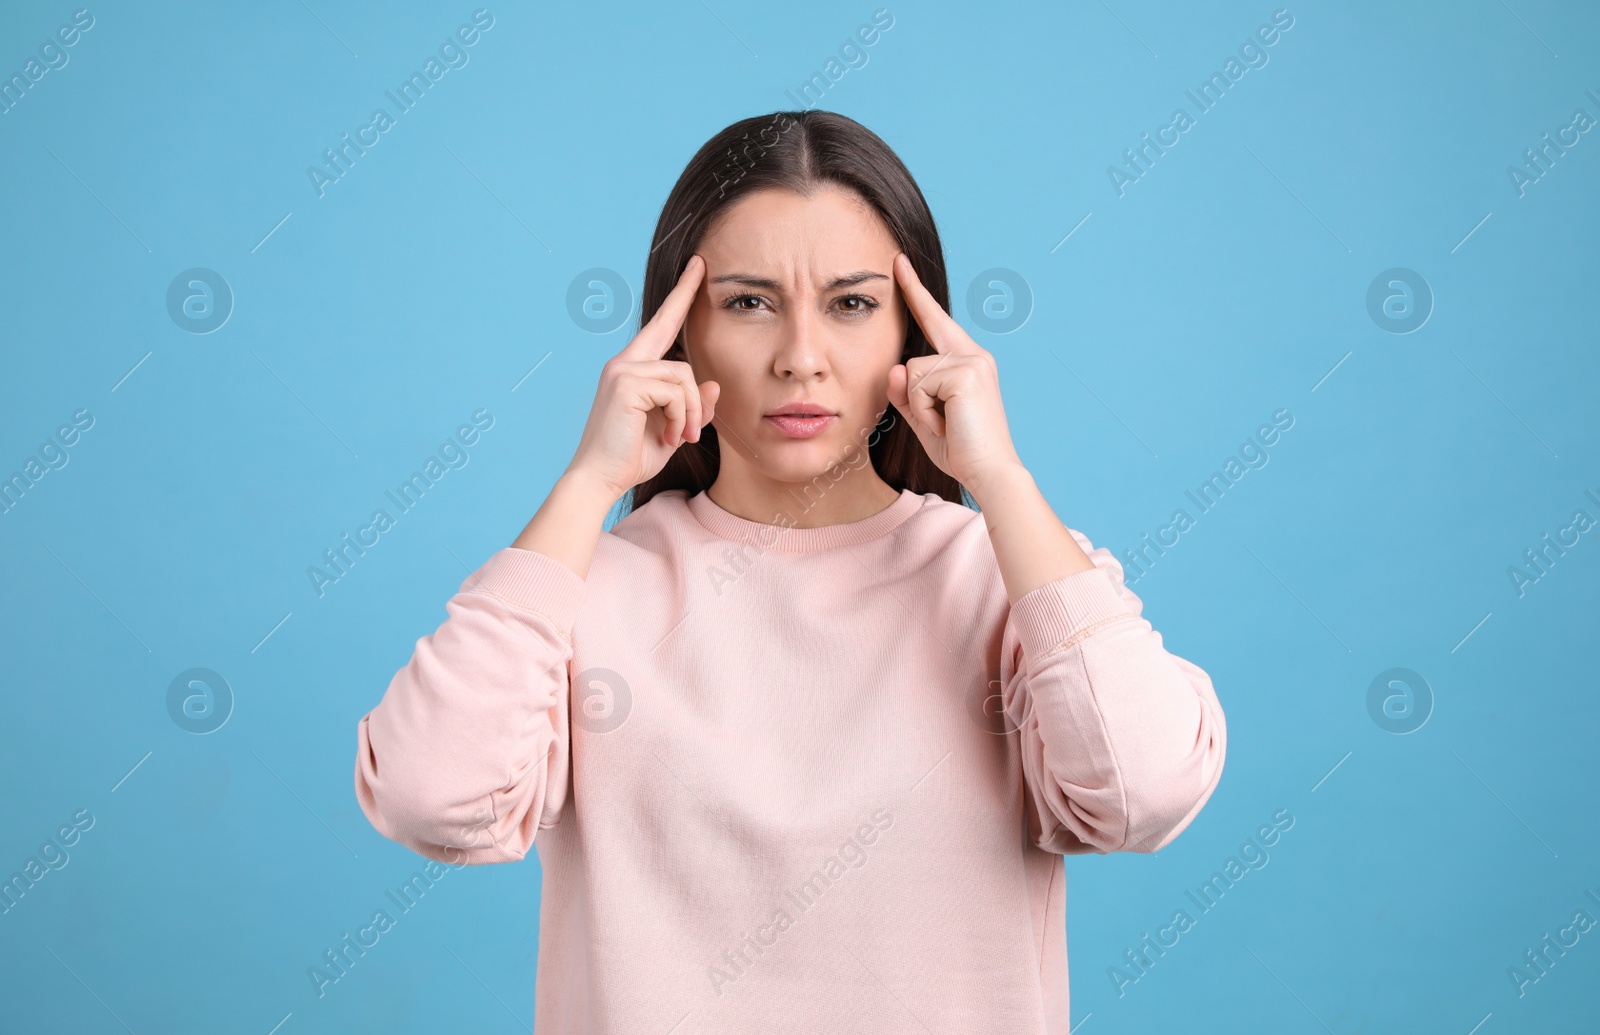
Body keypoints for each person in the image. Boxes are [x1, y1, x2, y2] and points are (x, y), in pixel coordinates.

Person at [353, 109, 1226, 1033]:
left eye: (851, 304)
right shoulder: (583, 593)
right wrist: (586, 482)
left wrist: (1000, 479)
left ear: (913, 336)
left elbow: (1146, 789)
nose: (800, 358)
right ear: (677, 333)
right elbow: (429, 796)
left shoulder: (1013, 585)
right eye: (748, 301)